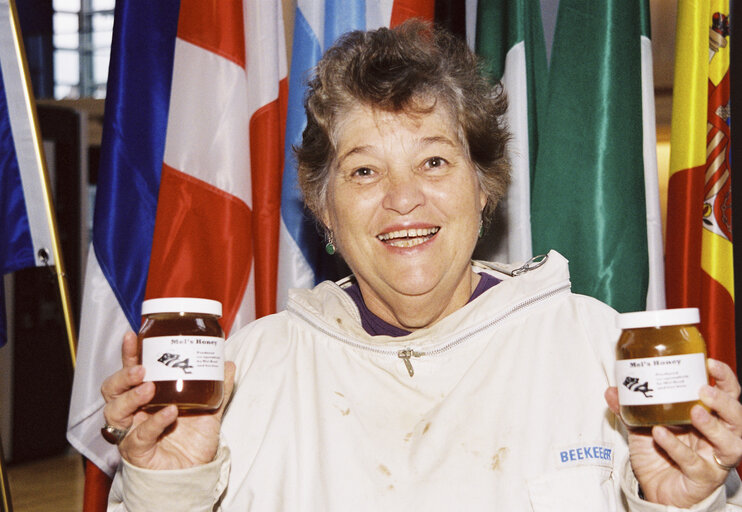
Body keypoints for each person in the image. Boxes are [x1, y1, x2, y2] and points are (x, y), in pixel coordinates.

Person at [102, 21, 742, 511]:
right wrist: (168, 485)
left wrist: (686, 500)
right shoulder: (251, 371)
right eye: (364, 171)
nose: (402, 197)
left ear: (484, 186)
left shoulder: (597, 349)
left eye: (433, 161)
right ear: (324, 208)